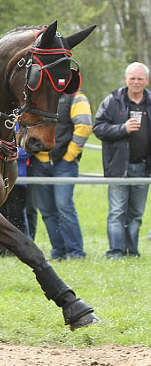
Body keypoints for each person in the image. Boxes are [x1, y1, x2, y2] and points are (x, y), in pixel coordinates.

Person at [93, 61, 151, 258]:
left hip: (143, 167)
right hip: (118, 166)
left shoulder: (150, 101)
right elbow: (98, 128)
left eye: (140, 79)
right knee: (117, 212)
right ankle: (115, 252)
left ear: (146, 81)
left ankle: (132, 252)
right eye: (132, 78)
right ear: (126, 79)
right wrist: (122, 129)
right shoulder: (112, 100)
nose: (136, 82)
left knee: (136, 214)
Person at [28, 90, 91, 259]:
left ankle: (76, 253)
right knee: (47, 211)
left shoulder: (76, 96)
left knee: (64, 206)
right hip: (39, 163)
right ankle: (58, 252)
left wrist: (70, 155)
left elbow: (84, 126)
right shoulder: (36, 95)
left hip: (64, 164)